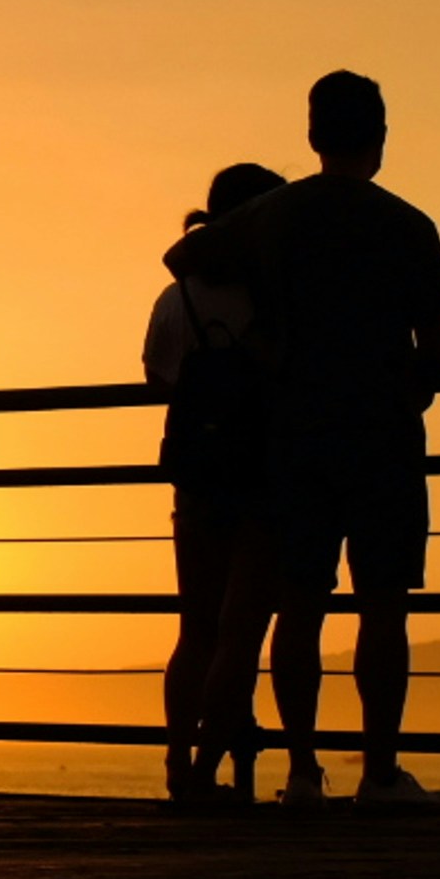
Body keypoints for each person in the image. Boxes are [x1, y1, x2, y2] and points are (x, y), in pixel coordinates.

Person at [169, 71, 440, 812]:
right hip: (383, 433)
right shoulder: (407, 223)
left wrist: (264, 332)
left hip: (296, 432)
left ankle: (301, 769)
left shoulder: (274, 214)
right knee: (383, 604)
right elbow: (437, 340)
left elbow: (183, 258)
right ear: (381, 135)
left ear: (312, 134)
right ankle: (381, 770)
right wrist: (411, 389)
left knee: (301, 605)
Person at [148, 161, 287, 804]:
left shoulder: (177, 296)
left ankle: (178, 765)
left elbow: (159, 376)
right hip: (263, 468)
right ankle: (210, 771)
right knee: (242, 630)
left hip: (196, 472)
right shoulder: (273, 291)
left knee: (195, 627)